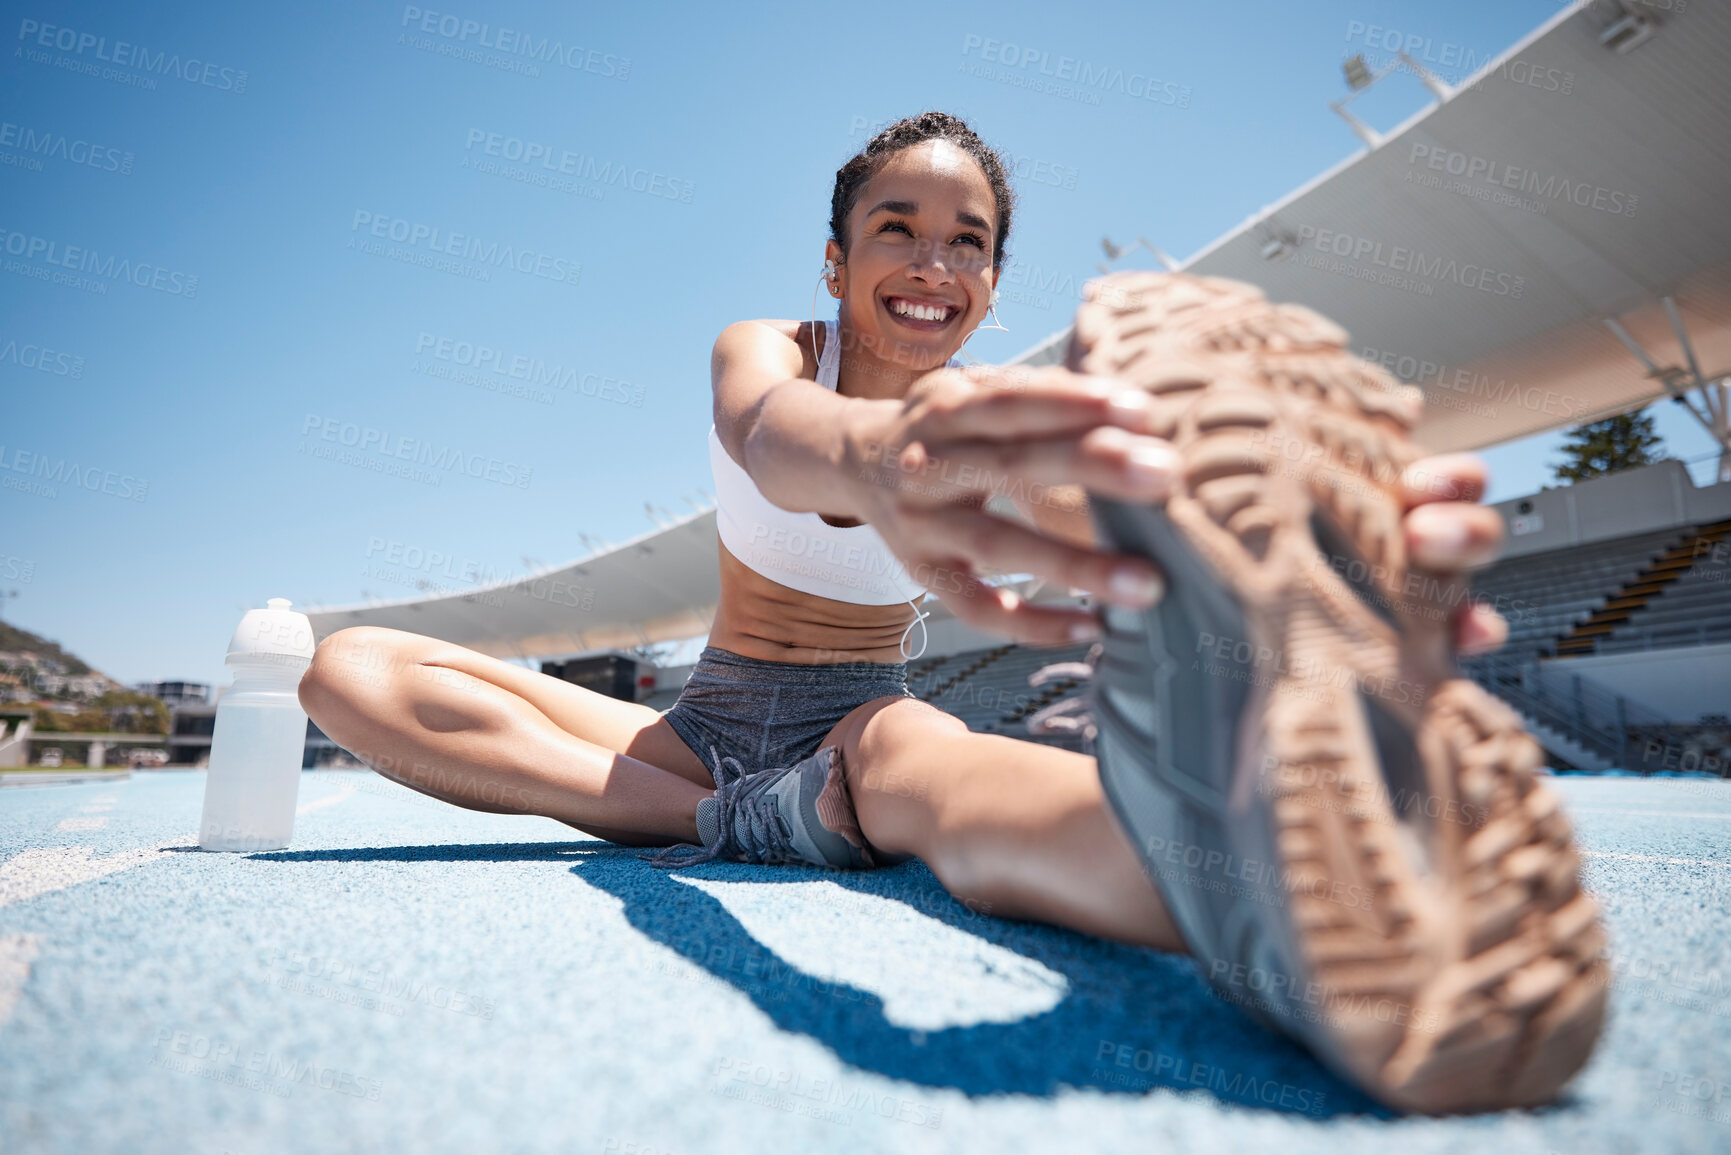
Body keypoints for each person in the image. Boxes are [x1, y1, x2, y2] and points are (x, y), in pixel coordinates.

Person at [298, 111, 1604, 1114]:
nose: (933, 262)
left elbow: (1125, 528)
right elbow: (772, 437)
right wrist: (876, 460)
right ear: (836, 257)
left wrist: (1320, 557)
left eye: (967, 241)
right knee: (345, 671)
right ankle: (726, 823)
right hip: (694, 735)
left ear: (992, 281)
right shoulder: (771, 351)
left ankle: (1258, 880)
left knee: (938, 780)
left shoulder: (1014, 428)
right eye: (898, 228)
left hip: (852, 731)